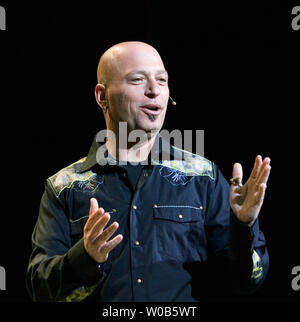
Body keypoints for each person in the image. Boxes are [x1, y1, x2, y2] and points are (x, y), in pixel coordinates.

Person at [26, 41, 271, 302]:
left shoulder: (203, 177)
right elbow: (39, 289)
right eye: (137, 80)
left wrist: (244, 228)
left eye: (162, 80)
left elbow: (245, 283)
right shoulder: (65, 186)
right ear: (102, 96)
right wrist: (84, 258)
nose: (154, 90)